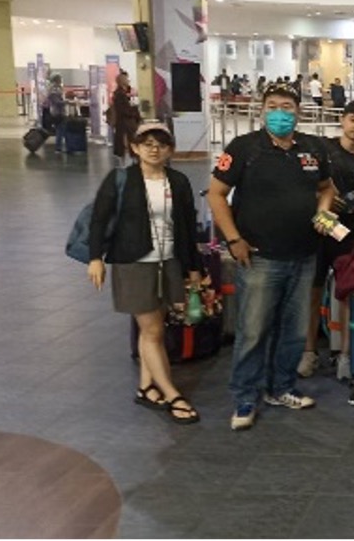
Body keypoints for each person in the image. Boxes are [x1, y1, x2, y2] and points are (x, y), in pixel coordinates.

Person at [209, 82, 336, 431]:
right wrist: (233, 238)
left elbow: (327, 188)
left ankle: (281, 387)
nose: (280, 113)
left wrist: (324, 214)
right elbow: (217, 194)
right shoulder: (244, 148)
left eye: (287, 107)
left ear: (298, 111)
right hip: (259, 257)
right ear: (262, 110)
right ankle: (245, 396)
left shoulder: (313, 148)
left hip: (304, 255)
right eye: (273, 106)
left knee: (294, 331)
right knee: (253, 331)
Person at [87, 122, 203, 424]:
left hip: (169, 261)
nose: (154, 149)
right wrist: (95, 258)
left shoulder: (177, 181)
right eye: (147, 144)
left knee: (153, 328)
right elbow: (99, 219)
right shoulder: (121, 179)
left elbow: (188, 227)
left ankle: (146, 388)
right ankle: (172, 393)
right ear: (135, 148)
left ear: (170, 150)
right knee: (153, 331)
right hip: (133, 262)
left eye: (161, 144)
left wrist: (194, 267)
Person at [299, 100, 354, 381]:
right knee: (313, 291)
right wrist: (323, 203)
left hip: (350, 236)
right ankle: (309, 352)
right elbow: (306, 184)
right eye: (353, 120)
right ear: (342, 120)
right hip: (319, 231)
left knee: (345, 294)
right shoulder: (323, 149)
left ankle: (345, 354)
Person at [109, 70, 142, 162]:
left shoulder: (124, 93)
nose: (128, 81)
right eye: (127, 79)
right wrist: (134, 111)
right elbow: (124, 109)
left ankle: (126, 158)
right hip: (125, 121)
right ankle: (128, 159)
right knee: (127, 140)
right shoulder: (120, 94)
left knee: (125, 140)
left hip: (125, 121)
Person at [47, 74, 68, 153]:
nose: (61, 80)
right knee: (60, 130)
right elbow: (57, 102)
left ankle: (62, 146)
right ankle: (58, 147)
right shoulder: (54, 90)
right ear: (57, 80)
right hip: (57, 113)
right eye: (60, 79)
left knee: (62, 129)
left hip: (59, 112)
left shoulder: (57, 88)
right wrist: (66, 102)